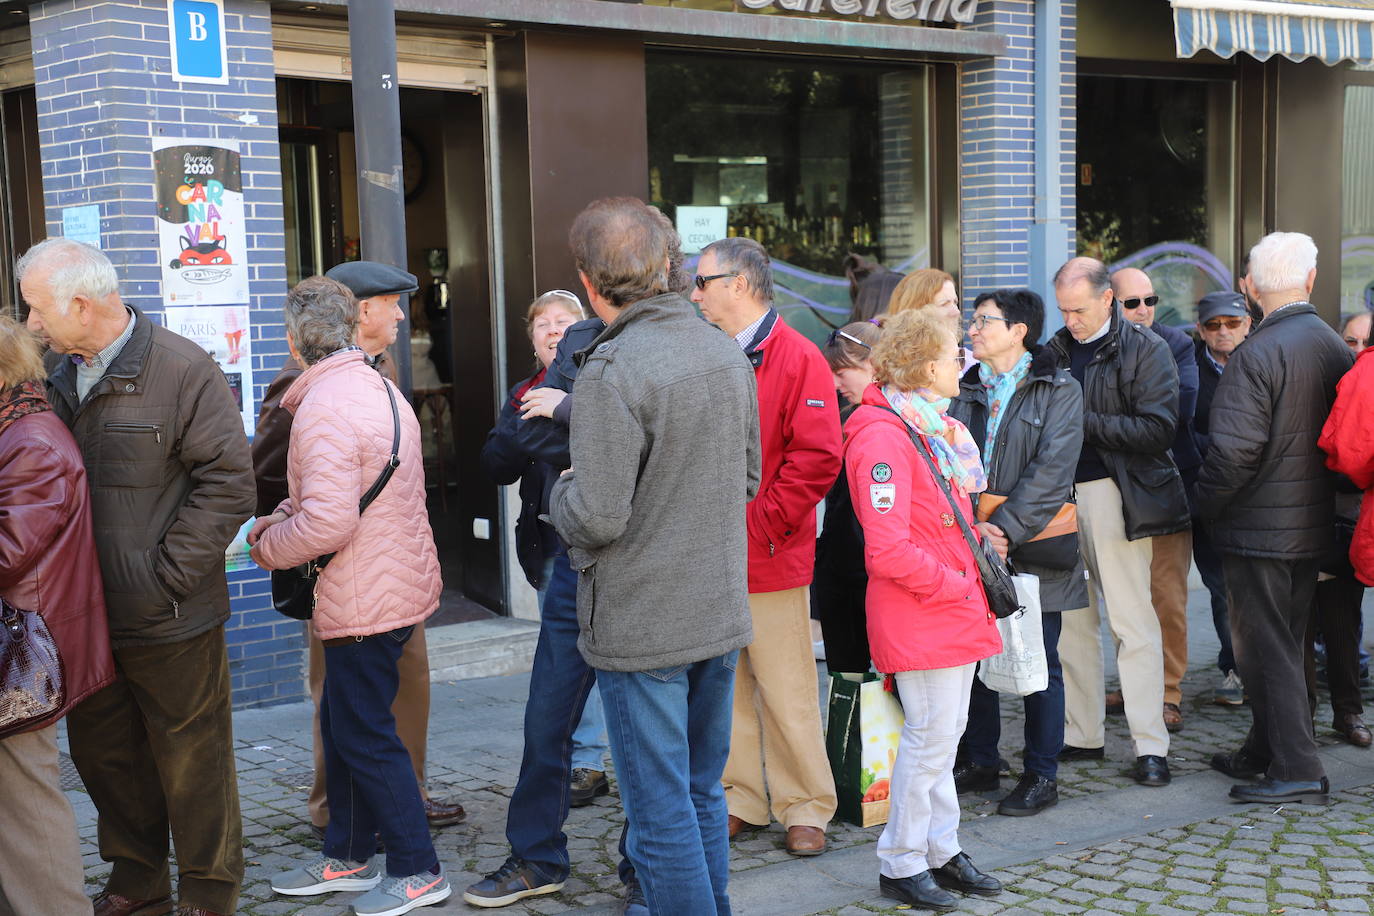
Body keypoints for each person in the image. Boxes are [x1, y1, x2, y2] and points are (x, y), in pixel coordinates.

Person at [21, 238, 256, 916]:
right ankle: (137, 880)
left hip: (170, 615)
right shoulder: (48, 375)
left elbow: (231, 484)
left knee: (194, 762)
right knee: (108, 760)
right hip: (80, 618)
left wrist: (167, 575)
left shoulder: (182, 369)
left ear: (83, 305)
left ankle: (210, 893)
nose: (31, 323)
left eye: (39, 310)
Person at [550, 196, 761, 915]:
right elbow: (747, 476)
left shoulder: (612, 370)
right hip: (715, 609)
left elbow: (599, 516)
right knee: (700, 789)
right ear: (669, 267)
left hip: (645, 624)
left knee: (662, 805)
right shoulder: (722, 349)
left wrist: (561, 496)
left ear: (588, 281)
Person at [251, 277, 449, 915]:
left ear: (292, 339)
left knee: (364, 734)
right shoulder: (375, 385)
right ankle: (349, 855)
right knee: (345, 726)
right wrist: (285, 513)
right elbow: (349, 491)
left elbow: (329, 523)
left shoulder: (326, 404)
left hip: (362, 593)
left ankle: (418, 870)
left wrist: (266, 545)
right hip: (385, 583)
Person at [842, 308, 1002, 910]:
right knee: (931, 739)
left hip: (942, 606)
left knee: (943, 735)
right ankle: (902, 859)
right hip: (926, 608)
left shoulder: (926, 424)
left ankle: (940, 848)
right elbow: (887, 549)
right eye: (953, 350)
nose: (964, 359)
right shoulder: (884, 434)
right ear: (925, 365)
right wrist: (958, 585)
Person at [691, 236, 842, 857]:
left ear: (740, 284)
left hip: (769, 552)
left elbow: (817, 458)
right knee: (727, 689)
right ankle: (739, 798)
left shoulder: (799, 356)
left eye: (703, 281)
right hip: (711, 553)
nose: (694, 292)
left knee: (786, 687)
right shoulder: (705, 351)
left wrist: (758, 527)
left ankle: (807, 804)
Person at [1198, 231, 1353, 805]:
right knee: (1283, 641)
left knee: (1267, 649)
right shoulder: (1332, 345)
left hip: (1259, 527)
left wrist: (1204, 507)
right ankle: (1266, 748)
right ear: (1310, 280)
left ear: (1251, 287)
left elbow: (1233, 453)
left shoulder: (1258, 352)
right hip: (1311, 522)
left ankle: (1297, 765)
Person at [1050, 256, 1187, 788]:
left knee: (1133, 622)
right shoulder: (1056, 348)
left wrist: (1078, 420)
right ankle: (1081, 734)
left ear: (1107, 298)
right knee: (1072, 623)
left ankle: (1151, 746)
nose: (1071, 319)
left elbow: (1158, 429)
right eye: (1064, 310)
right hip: (1060, 497)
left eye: (1079, 309)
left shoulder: (1145, 348)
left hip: (1116, 493)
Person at [950, 288, 1087, 817]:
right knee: (976, 652)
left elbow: (1054, 471)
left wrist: (1002, 526)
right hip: (970, 540)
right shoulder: (963, 386)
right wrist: (971, 528)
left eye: (985, 320)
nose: (974, 329)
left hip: (1029, 541)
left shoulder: (1058, 388)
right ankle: (981, 759)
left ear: (1018, 331)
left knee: (1038, 663)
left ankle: (1041, 774)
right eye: (974, 319)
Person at [478, 289, 613, 809]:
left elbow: (589, 447)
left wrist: (552, 416)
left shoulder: (603, 385)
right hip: (547, 542)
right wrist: (522, 419)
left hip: (594, 539)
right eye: (543, 325)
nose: (554, 331)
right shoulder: (523, 393)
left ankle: (586, 761)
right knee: (563, 660)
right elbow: (497, 465)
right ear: (531, 338)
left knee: (595, 652)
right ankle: (573, 758)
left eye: (565, 322)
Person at [0, 315, 114, 916]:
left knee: (28, 796)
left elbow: (10, 551)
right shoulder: (14, 430)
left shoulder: (31, 441)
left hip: (23, 651)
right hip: (18, 640)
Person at [1107, 268, 1198, 734]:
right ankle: (1135, 683)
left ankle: (1168, 692)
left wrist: (1106, 417)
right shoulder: (1093, 346)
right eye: (1131, 302)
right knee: (1127, 601)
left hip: (1164, 490)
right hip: (1112, 492)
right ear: (1110, 303)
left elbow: (1173, 411)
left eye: (1150, 299)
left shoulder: (1176, 345)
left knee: (1166, 598)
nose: (1143, 309)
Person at [1191, 291, 1253, 707]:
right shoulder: (1189, 368)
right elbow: (1180, 429)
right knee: (1220, 588)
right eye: (1214, 325)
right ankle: (1233, 668)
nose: (1223, 332)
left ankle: (1267, 670)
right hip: (1208, 496)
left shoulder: (1262, 361)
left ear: (1247, 323)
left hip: (1258, 497)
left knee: (1260, 588)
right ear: (1201, 329)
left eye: (1232, 323)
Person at [814, 321, 882, 673]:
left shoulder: (905, 418)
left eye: (843, 372)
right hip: (840, 568)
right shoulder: (840, 414)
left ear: (875, 364)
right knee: (846, 683)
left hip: (879, 572)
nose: (836, 383)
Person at [1321, 321, 1374, 743]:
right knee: (1307, 624)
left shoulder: (1361, 382)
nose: (1357, 349)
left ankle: (1348, 713)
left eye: (1363, 341)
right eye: (1349, 342)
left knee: (1343, 623)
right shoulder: (1336, 380)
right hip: (1320, 518)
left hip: (1352, 519)